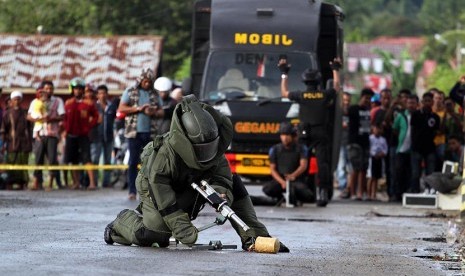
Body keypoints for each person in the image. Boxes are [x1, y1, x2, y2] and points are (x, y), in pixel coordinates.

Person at [104, 95, 289, 253]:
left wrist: (220, 191)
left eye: (210, 147)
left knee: (234, 183)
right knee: (155, 236)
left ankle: (253, 236)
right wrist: (178, 222)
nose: (208, 154)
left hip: (192, 182)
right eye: (201, 149)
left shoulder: (215, 148)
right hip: (156, 186)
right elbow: (158, 184)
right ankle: (121, 223)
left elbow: (223, 177)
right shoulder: (165, 155)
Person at [278, 57, 341, 207]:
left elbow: (284, 92)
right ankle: (323, 193)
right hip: (320, 133)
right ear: (318, 82)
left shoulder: (301, 95)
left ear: (305, 82)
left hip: (304, 133)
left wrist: (284, 73)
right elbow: (337, 88)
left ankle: (299, 192)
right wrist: (335, 70)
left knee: (301, 162)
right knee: (322, 164)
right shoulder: (324, 95)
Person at [118, 68, 164, 200]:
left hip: (151, 133)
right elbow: (121, 108)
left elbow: (162, 112)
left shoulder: (155, 94)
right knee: (133, 162)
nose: (147, 84)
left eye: (150, 82)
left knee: (150, 163)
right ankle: (132, 191)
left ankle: (148, 191)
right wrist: (138, 109)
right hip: (134, 133)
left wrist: (153, 111)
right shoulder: (130, 91)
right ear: (140, 80)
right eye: (145, 81)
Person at [261, 122, 313, 205]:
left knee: (307, 194)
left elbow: (303, 165)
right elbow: (272, 169)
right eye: (283, 135)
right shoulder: (275, 149)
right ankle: (280, 198)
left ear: (292, 136)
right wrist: (282, 182)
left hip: (296, 180)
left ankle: (296, 198)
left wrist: (293, 175)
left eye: (287, 135)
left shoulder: (301, 148)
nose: (285, 138)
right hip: (281, 179)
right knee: (267, 189)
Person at [27, 80, 65, 190]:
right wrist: (36, 119)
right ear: (42, 89)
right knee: (38, 158)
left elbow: (62, 116)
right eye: (47, 88)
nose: (49, 91)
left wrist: (51, 119)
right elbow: (28, 116)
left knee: (52, 159)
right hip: (39, 133)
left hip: (52, 133)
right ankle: (37, 183)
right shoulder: (35, 102)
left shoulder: (58, 101)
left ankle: (50, 183)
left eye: (51, 89)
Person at [63, 77, 99, 190]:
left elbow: (97, 117)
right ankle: (76, 183)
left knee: (87, 159)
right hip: (71, 136)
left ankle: (92, 183)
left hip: (84, 136)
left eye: (80, 89)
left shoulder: (88, 103)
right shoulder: (68, 103)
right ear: (72, 90)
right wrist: (66, 129)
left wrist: (89, 126)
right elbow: (64, 118)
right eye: (75, 89)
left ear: (83, 90)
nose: (77, 91)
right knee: (73, 160)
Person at [343, 88, 374, 200]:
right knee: (355, 168)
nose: (368, 100)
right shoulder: (353, 109)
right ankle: (353, 193)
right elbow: (344, 112)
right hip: (354, 142)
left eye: (370, 99)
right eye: (366, 98)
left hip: (365, 142)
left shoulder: (368, 110)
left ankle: (361, 193)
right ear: (361, 97)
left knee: (364, 169)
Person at [0, 91, 33, 190]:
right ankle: (10, 184)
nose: (17, 101)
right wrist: (3, 143)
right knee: (11, 164)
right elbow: (3, 130)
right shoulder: (7, 114)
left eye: (18, 99)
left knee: (23, 164)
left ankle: (23, 184)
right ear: (12, 100)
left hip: (24, 144)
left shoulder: (25, 113)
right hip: (12, 144)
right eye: (15, 99)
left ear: (21, 100)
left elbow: (30, 128)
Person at [410, 92, 440, 193]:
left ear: (432, 102)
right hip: (417, 147)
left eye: (429, 101)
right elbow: (413, 130)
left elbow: (436, 132)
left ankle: (429, 190)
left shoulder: (435, 117)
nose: (427, 103)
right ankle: (415, 191)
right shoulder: (416, 114)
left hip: (430, 147)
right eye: (425, 101)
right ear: (422, 102)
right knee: (415, 172)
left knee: (430, 172)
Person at [391, 94, 418, 202]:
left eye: (413, 103)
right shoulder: (401, 116)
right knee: (398, 172)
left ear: (417, 104)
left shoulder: (418, 115)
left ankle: (409, 193)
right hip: (401, 149)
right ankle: (398, 194)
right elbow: (395, 129)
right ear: (406, 104)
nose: (411, 105)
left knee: (411, 172)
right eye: (409, 103)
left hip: (414, 150)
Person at [91, 85, 117, 188]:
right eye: (100, 93)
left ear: (107, 94)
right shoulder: (93, 106)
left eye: (104, 93)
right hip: (96, 137)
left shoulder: (111, 106)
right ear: (97, 95)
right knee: (95, 160)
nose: (102, 95)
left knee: (107, 160)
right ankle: (94, 182)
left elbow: (116, 120)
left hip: (109, 137)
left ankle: (106, 182)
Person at [335, 92, 351, 191]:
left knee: (350, 166)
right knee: (341, 165)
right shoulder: (337, 113)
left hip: (349, 142)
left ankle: (350, 186)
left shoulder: (352, 112)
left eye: (348, 101)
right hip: (340, 142)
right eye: (344, 100)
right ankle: (342, 185)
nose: (346, 102)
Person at [367, 124, 387, 201]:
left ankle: (374, 194)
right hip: (372, 158)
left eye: (379, 129)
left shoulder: (383, 139)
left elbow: (385, 149)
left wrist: (382, 153)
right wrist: (374, 154)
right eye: (376, 129)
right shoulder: (370, 138)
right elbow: (369, 148)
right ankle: (369, 194)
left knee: (376, 177)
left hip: (379, 159)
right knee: (371, 176)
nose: (378, 131)